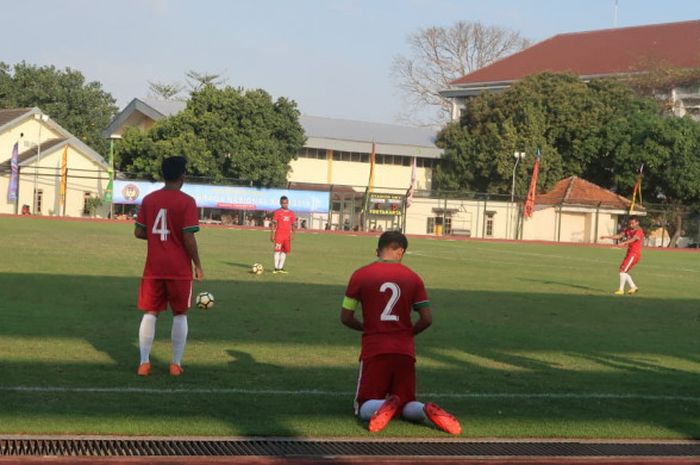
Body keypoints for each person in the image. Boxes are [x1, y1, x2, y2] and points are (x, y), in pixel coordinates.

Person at [340, 231, 461, 435]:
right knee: (407, 404)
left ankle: (383, 405)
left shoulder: (361, 275)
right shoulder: (413, 278)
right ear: (401, 251)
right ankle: (425, 409)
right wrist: (408, 334)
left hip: (375, 348)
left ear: (378, 250)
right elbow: (427, 319)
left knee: (362, 406)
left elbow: (345, 317)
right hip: (405, 350)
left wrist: (368, 328)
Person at [134, 156, 204, 377]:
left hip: (154, 267)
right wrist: (198, 264)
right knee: (180, 314)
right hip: (179, 269)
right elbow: (188, 238)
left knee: (150, 312)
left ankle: (144, 363)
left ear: (163, 174)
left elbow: (139, 231)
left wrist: (158, 239)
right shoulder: (187, 202)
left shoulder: (149, 199)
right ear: (183, 175)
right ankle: (175, 364)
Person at [600, 216, 644, 295]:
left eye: (632, 223)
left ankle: (621, 290)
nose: (631, 225)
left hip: (634, 254)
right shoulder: (628, 230)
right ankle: (633, 287)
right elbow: (619, 236)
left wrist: (625, 242)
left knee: (622, 270)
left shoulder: (639, 231)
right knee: (623, 271)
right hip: (630, 253)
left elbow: (633, 239)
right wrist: (607, 237)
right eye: (630, 223)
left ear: (637, 223)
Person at [270, 195, 295, 274]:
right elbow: (273, 224)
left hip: (287, 236)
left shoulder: (291, 213)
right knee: (277, 251)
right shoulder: (277, 212)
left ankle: (280, 268)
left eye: (286, 203)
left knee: (285, 251)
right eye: (283, 203)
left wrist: (293, 233)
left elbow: (293, 224)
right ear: (280, 203)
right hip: (279, 235)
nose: (285, 204)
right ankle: (276, 268)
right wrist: (272, 234)